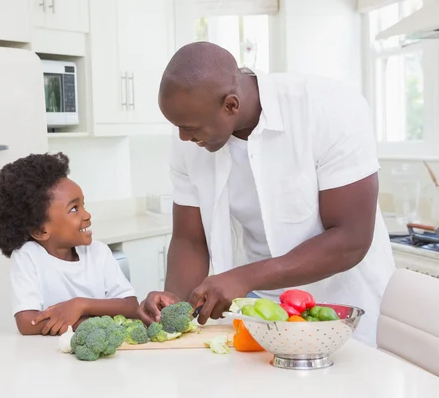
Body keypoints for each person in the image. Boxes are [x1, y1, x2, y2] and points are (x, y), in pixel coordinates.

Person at [137, 42, 395, 347]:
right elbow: (189, 239)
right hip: (265, 313)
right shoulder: (191, 134)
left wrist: (245, 278)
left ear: (231, 105)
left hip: (345, 313)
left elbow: (350, 239)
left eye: (189, 128)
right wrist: (175, 309)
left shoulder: (330, 107)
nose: (182, 137)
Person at [0, 152, 138, 336]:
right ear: (40, 231)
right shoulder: (28, 257)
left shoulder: (99, 252)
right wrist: (87, 324)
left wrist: (81, 305)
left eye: (83, 205)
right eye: (74, 209)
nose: (87, 215)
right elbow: (27, 322)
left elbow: (130, 306)